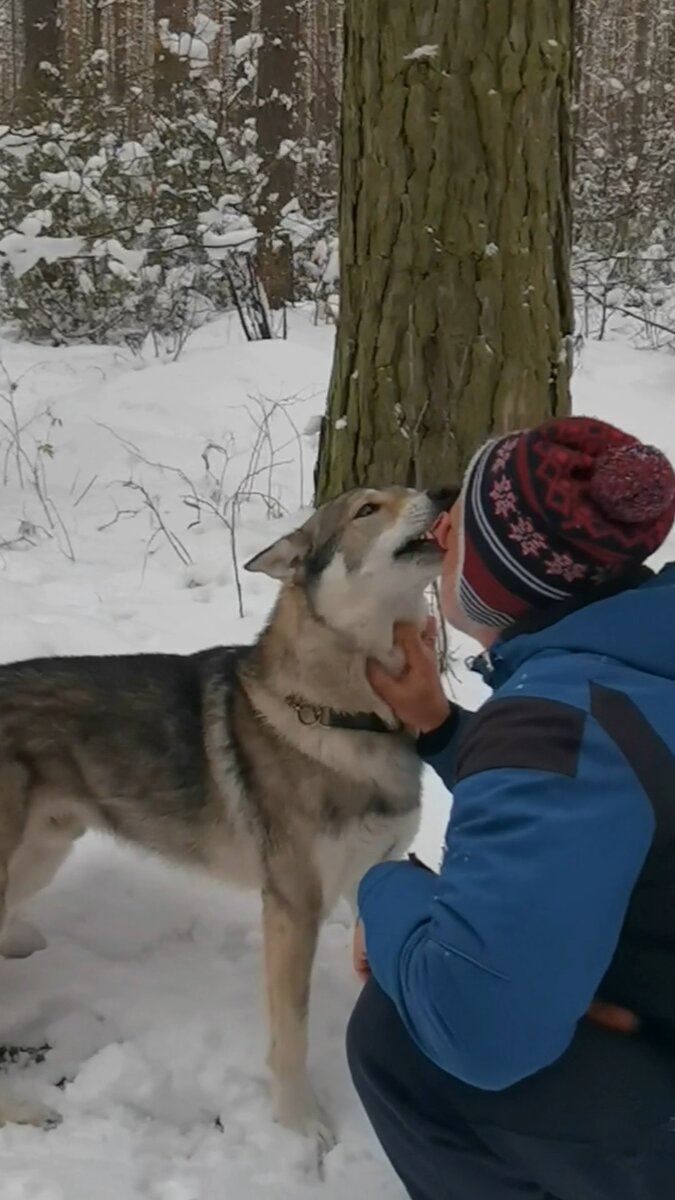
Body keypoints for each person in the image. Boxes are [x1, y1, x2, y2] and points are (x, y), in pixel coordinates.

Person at [346, 416, 675, 1200]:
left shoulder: (555, 721)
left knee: (406, 1037)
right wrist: (443, 730)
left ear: (500, 573)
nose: (440, 523)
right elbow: (617, 787)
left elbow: (479, 1029)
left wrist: (382, 891)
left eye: (459, 520)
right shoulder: (635, 666)